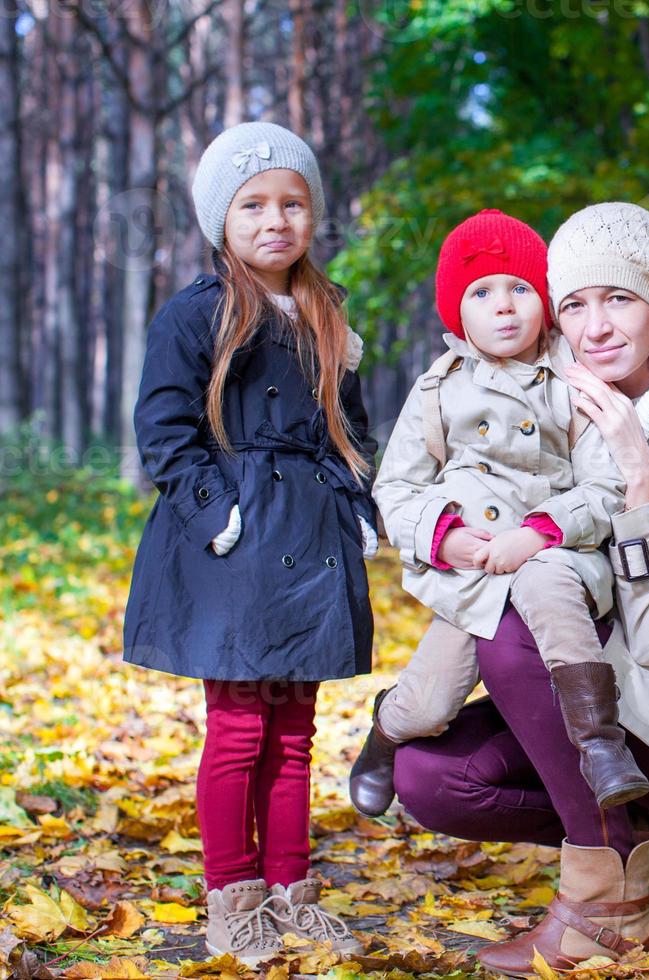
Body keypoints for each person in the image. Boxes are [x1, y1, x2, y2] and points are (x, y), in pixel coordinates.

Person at [393, 202, 649, 975]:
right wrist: (453, 535)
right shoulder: (536, 399)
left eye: (620, 299)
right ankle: (619, 841)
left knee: (522, 608)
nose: (596, 326)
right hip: (575, 694)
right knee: (428, 778)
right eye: (574, 303)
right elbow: (427, 491)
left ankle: (604, 902)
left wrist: (638, 476)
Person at [122, 121, 374, 965]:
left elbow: (351, 429)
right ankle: (233, 898)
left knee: (297, 728)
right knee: (238, 728)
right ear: (222, 220)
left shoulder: (326, 314)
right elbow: (163, 425)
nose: (276, 220)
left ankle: (290, 890)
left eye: (293, 203)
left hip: (309, 536)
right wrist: (213, 509)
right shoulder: (198, 311)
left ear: (312, 215)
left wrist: (359, 505)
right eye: (254, 205)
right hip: (231, 545)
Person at [352, 208, 648, 816]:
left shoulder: (572, 378)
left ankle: (600, 744)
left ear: (543, 299)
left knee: (555, 601)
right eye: (482, 292)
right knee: (429, 704)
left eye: (520, 289)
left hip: (553, 555)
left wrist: (542, 532)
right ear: (456, 312)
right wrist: (444, 538)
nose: (505, 306)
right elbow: (397, 488)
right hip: (474, 573)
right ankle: (386, 731)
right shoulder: (438, 389)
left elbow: (607, 483)